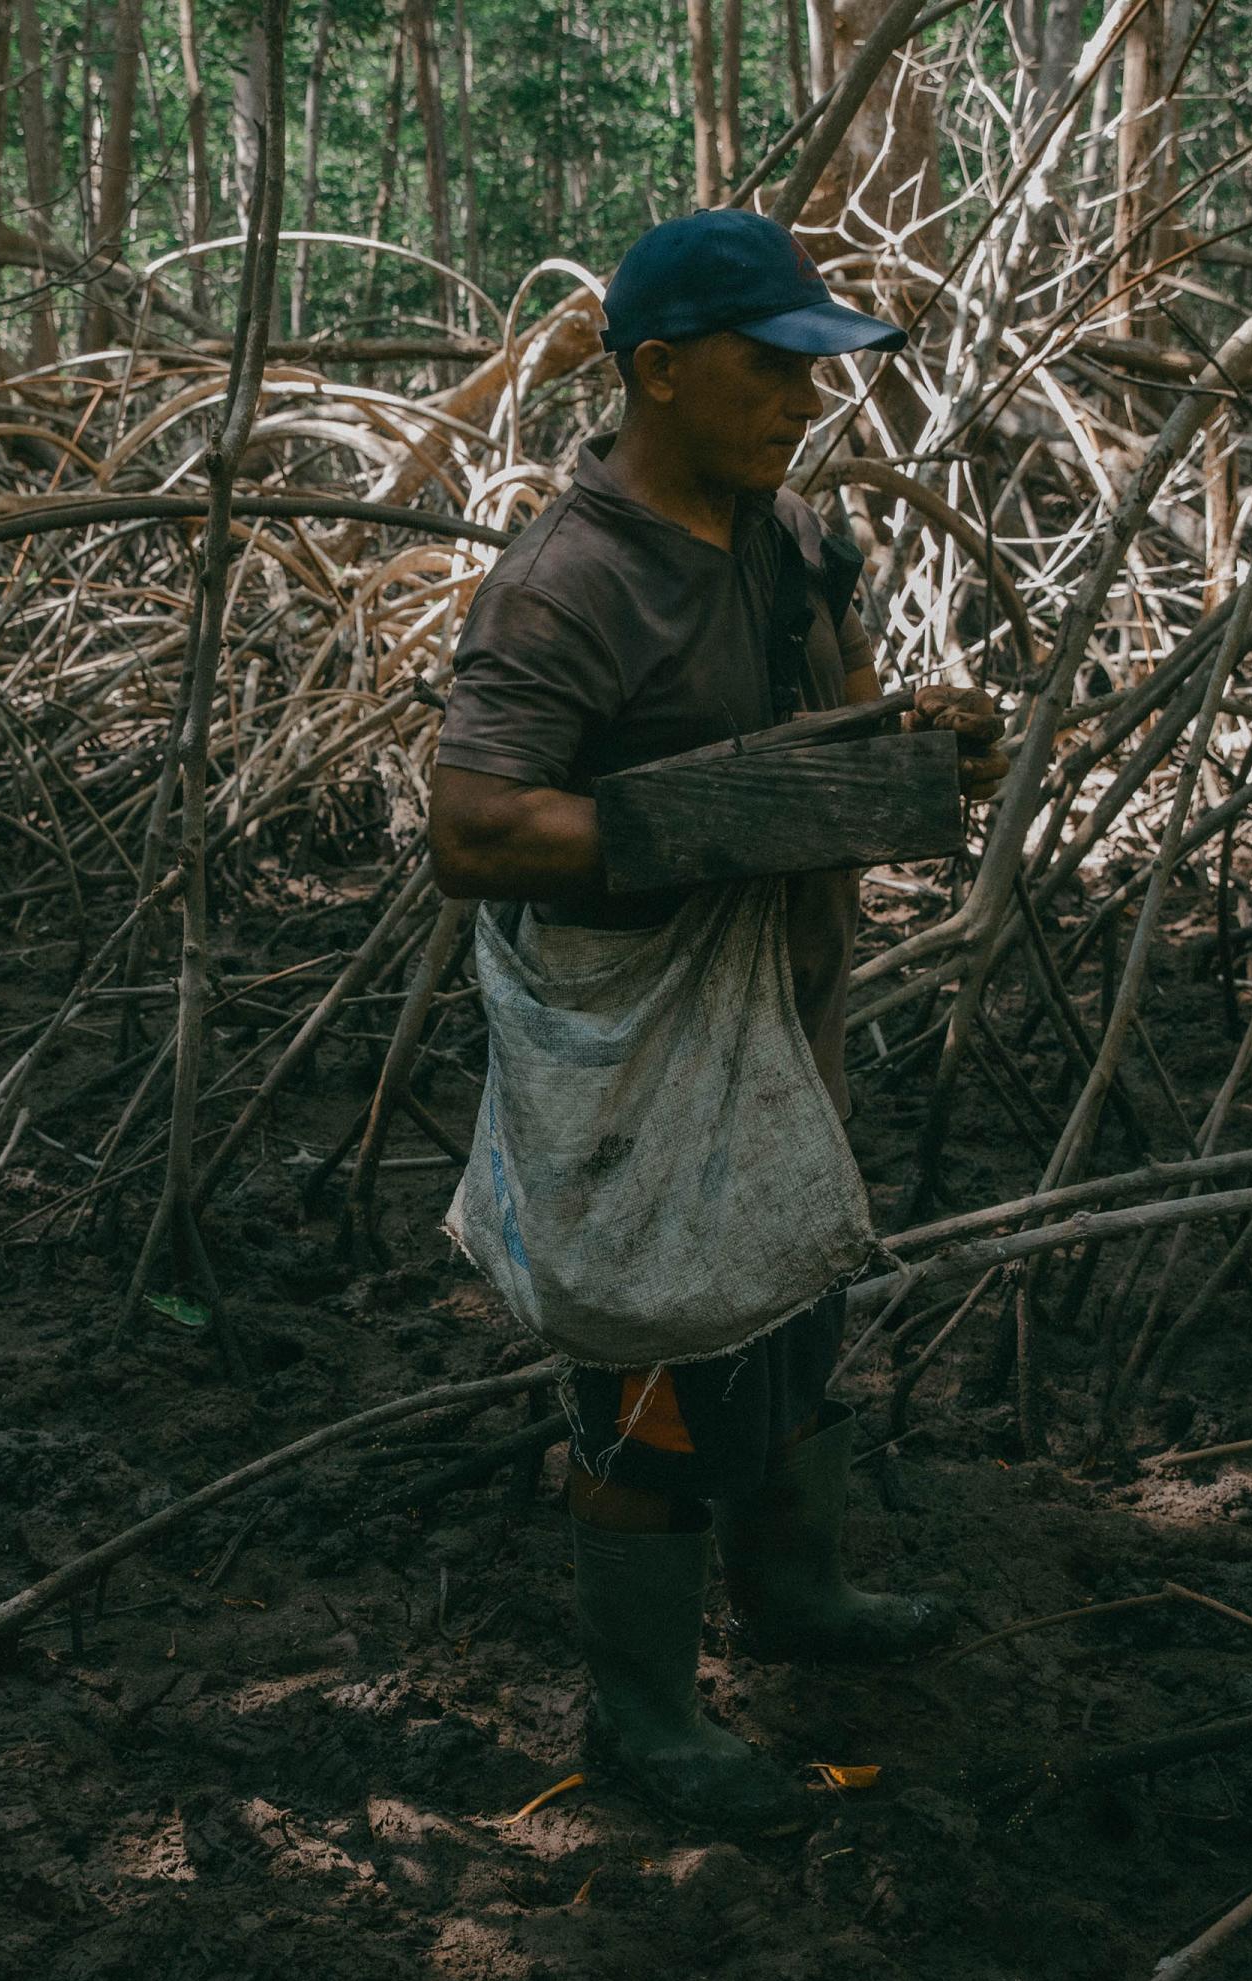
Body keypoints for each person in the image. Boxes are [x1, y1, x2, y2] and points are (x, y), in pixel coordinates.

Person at [427, 209, 1005, 1832]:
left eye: (812, 375)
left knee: (792, 1291)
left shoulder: (791, 539)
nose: (800, 404)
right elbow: (471, 829)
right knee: (656, 1356)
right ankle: (647, 1724)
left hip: (785, 1016)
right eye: (768, 371)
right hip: (635, 1045)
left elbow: (817, 724)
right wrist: (713, 819)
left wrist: (906, 739)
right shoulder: (566, 585)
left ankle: (794, 1597)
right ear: (659, 373)